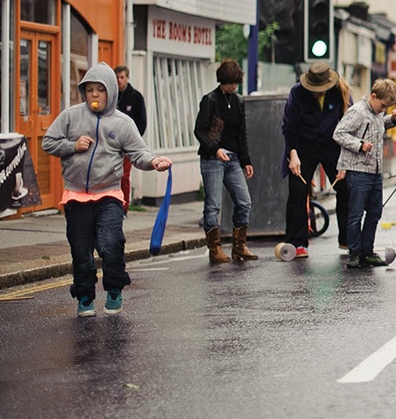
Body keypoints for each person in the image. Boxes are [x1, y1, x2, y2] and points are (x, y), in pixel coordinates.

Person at [42, 62, 172, 317]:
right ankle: (85, 297)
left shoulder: (123, 123)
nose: (93, 95)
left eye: (99, 90)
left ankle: (114, 289)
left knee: (111, 244)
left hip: (109, 194)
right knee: (81, 252)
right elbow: (48, 142)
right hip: (76, 195)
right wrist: (72, 145)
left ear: (110, 91)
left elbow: (139, 152)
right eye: (89, 89)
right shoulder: (71, 116)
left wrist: (154, 161)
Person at [280, 62, 352, 258]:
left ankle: (347, 238)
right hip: (303, 146)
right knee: (298, 191)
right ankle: (297, 242)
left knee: (345, 188)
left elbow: (350, 125)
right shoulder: (297, 93)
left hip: (332, 146)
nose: (317, 93)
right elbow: (289, 126)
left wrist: (345, 160)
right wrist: (293, 154)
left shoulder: (340, 92)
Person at [192, 59, 256, 264]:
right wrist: (215, 149)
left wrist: (246, 160)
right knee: (213, 205)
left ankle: (239, 246)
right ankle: (215, 248)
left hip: (234, 159)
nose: (234, 87)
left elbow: (242, 133)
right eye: (231, 83)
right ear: (223, 81)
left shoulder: (238, 101)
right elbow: (199, 130)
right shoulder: (210, 100)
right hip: (213, 159)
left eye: (236, 83)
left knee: (244, 201)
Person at [333, 78, 396, 268]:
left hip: (375, 171)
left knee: (375, 212)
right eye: (382, 105)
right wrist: (359, 145)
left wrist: (391, 120)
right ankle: (354, 252)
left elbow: (375, 126)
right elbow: (339, 133)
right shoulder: (357, 111)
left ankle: (367, 251)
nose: (383, 109)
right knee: (355, 213)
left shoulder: (377, 113)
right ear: (373, 96)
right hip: (358, 170)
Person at [113, 65, 146, 205]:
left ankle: (124, 205)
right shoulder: (111, 96)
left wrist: (133, 142)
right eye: (117, 78)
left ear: (127, 78)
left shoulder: (136, 97)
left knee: (124, 176)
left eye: (122, 77)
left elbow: (142, 122)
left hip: (127, 144)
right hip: (111, 142)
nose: (119, 80)